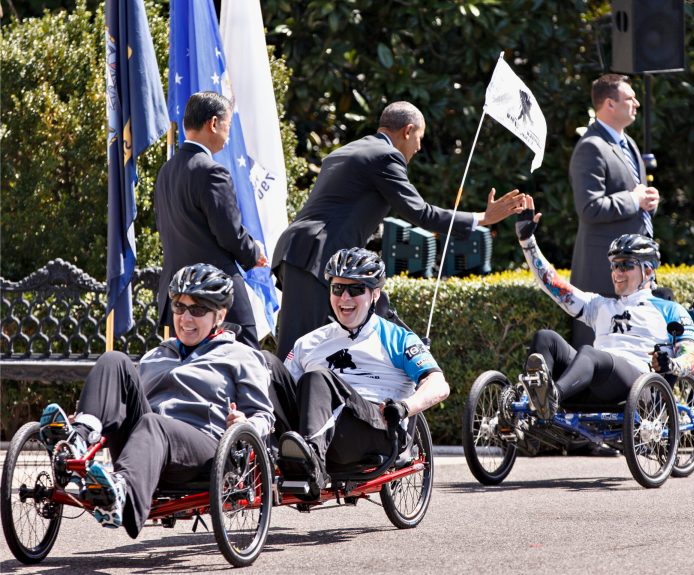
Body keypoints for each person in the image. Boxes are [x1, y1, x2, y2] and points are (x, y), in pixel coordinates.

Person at [272, 100, 526, 359]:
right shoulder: (385, 156)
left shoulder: (350, 150)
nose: (418, 147)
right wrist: (482, 218)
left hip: (307, 253)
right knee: (298, 352)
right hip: (316, 256)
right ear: (407, 130)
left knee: (368, 325)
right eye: (419, 137)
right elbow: (421, 213)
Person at [38, 263, 274, 536]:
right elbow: (128, 406)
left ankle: (123, 492)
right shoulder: (155, 356)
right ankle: (77, 440)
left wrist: (245, 423)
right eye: (179, 307)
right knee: (114, 360)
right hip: (147, 446)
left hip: (205, 450)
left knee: (153, 423)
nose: (185, 318)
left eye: (197, 310)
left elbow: (264, 416)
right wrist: (94, 414)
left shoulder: (241, 355)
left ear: (220, 315)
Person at [266, 247, 449, 498]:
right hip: (314, 430)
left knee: (318, 378)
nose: (345, 299)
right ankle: (275, 453)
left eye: (355, 290)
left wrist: (406, 407)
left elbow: (438, 384)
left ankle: (312, 466)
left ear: (374, 294)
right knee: (266, 363)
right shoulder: (308, 343)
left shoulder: (396, 338)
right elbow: (282, 393)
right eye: (338, 289)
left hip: (374, 428)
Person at [513, 197, 694, 421]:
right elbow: (553, 285)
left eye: (626, 265)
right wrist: (527, 241)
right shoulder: (600, 305)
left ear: (648, 272)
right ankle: (529, 406)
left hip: (637, 384)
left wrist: (673, 364)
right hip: (593, 381)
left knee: (590, 353)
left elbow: (691, 356)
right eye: (614, 265)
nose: (617, 272)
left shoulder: (670, 310)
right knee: (546, 338)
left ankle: (551, 398)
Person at [154, 91, 267, 350]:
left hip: (178, 296)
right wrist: (254, 252)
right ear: (213, 124)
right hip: (216, 291)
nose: (228, 135)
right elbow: (228, 232)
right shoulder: (212, 171)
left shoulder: (166, 171)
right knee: (248, 360)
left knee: (186, 368)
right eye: (228, 125)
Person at [569, 74, 661, 347]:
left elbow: (634, 199)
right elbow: (589, 208)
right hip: (603, 272)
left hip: (636, 274)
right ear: (609, 104)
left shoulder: (628, 143)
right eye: (629, 98)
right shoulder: (590, 147)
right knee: (596, 354)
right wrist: (633, 200)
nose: (636, 103)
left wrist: (648, 203)